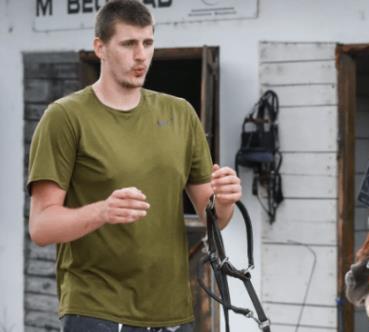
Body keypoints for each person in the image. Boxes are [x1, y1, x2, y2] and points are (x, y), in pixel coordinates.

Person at [27, 1, 241, 331]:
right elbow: (41, 226)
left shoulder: (181, 114)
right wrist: (102, 211)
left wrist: (223, 202)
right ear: (100, 47)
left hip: (171, 313)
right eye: (128, 44)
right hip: (96, 310)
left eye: (148, 43)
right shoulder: (65, 117)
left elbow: (211, 218)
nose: (141, 55)